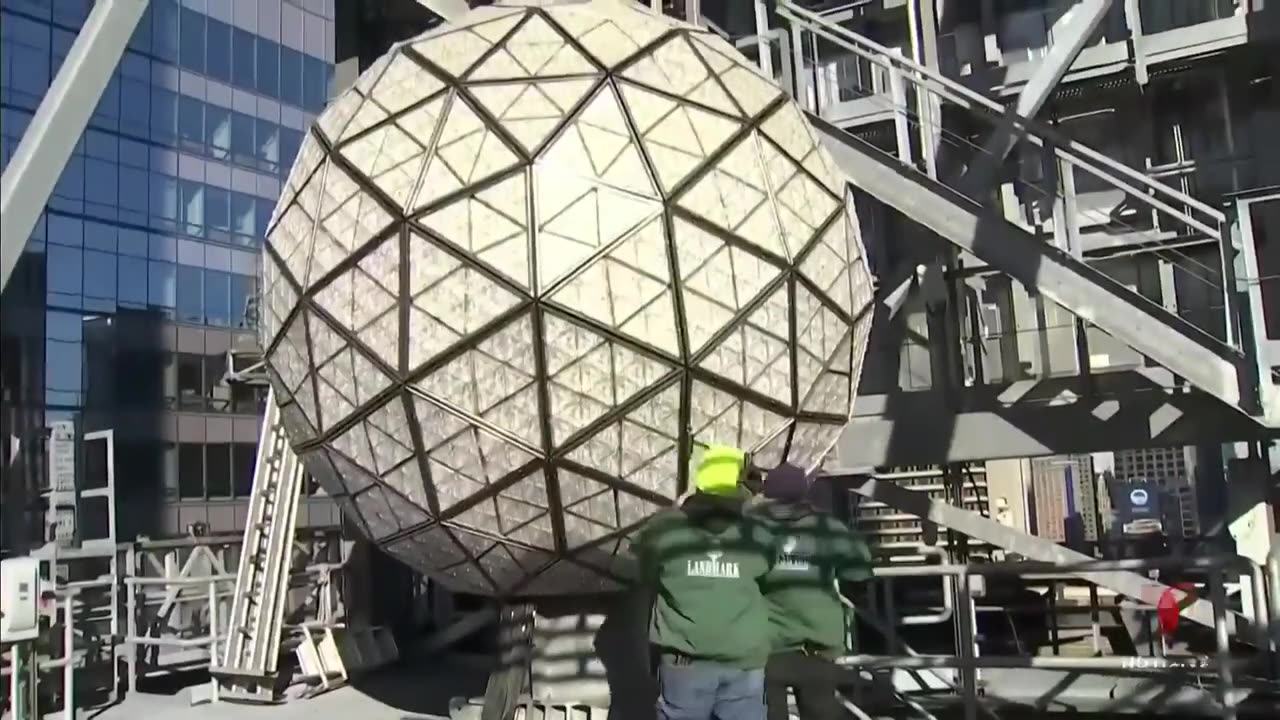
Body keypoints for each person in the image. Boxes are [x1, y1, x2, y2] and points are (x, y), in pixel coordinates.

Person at [635, 445, 775, 720]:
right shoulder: (757, 534)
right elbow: (769, 576)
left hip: (685, 662)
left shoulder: (664, 529)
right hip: (744, 663)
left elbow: (647, 572)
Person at [753, 463, 872, 720]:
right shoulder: (827, 528)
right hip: (817, 645)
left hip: (766, 646)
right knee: (822, 710)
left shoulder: (749, 530)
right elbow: (860, 573)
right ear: (803, 492)